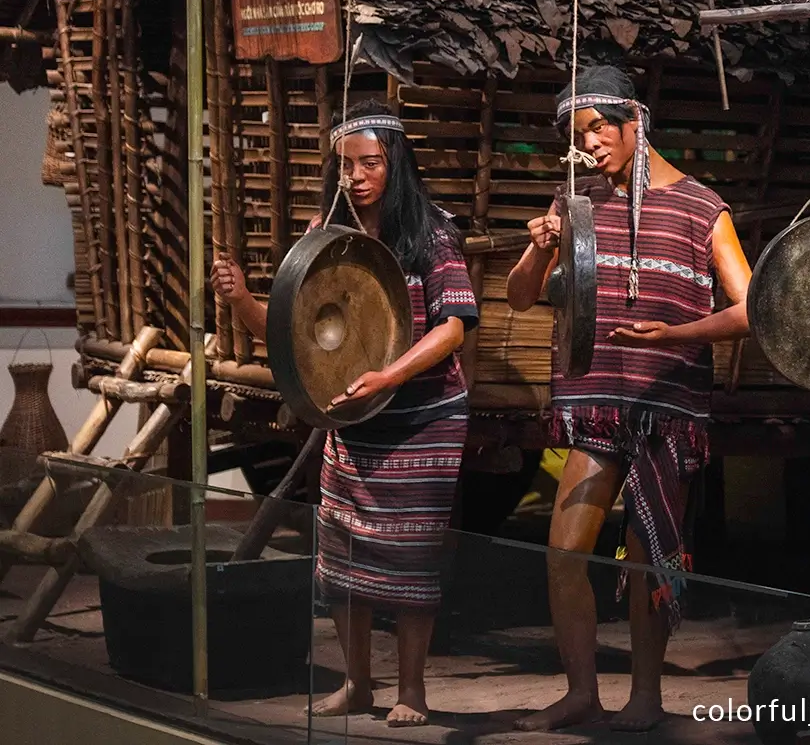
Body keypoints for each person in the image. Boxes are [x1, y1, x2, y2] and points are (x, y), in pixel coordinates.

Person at [212, 100, 477, 727]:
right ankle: (358, 684)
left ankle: (411, 690)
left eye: (370, 163)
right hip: (351, 418)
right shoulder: (322, 237)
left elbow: (457, 326)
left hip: (423, 415)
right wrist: (244, 299)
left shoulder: (430, 231)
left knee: (412, 555)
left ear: (396, 162)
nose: (355, 177)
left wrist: (388, 375)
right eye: (346, 166)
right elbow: (289, 337)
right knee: (341, 551)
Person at [506, 64, 753, 732]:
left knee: (648, 557)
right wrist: (538, 251)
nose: (589, 144)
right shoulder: (575, 203)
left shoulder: (703, 206)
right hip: (596, 403)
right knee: (564, 553)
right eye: (578, 133)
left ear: (634, 119)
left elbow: (752, 307)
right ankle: (582, 690)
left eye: (596, 128)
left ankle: (647, 696)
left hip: (667, 411)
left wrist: (678, 331)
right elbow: (522, 296)